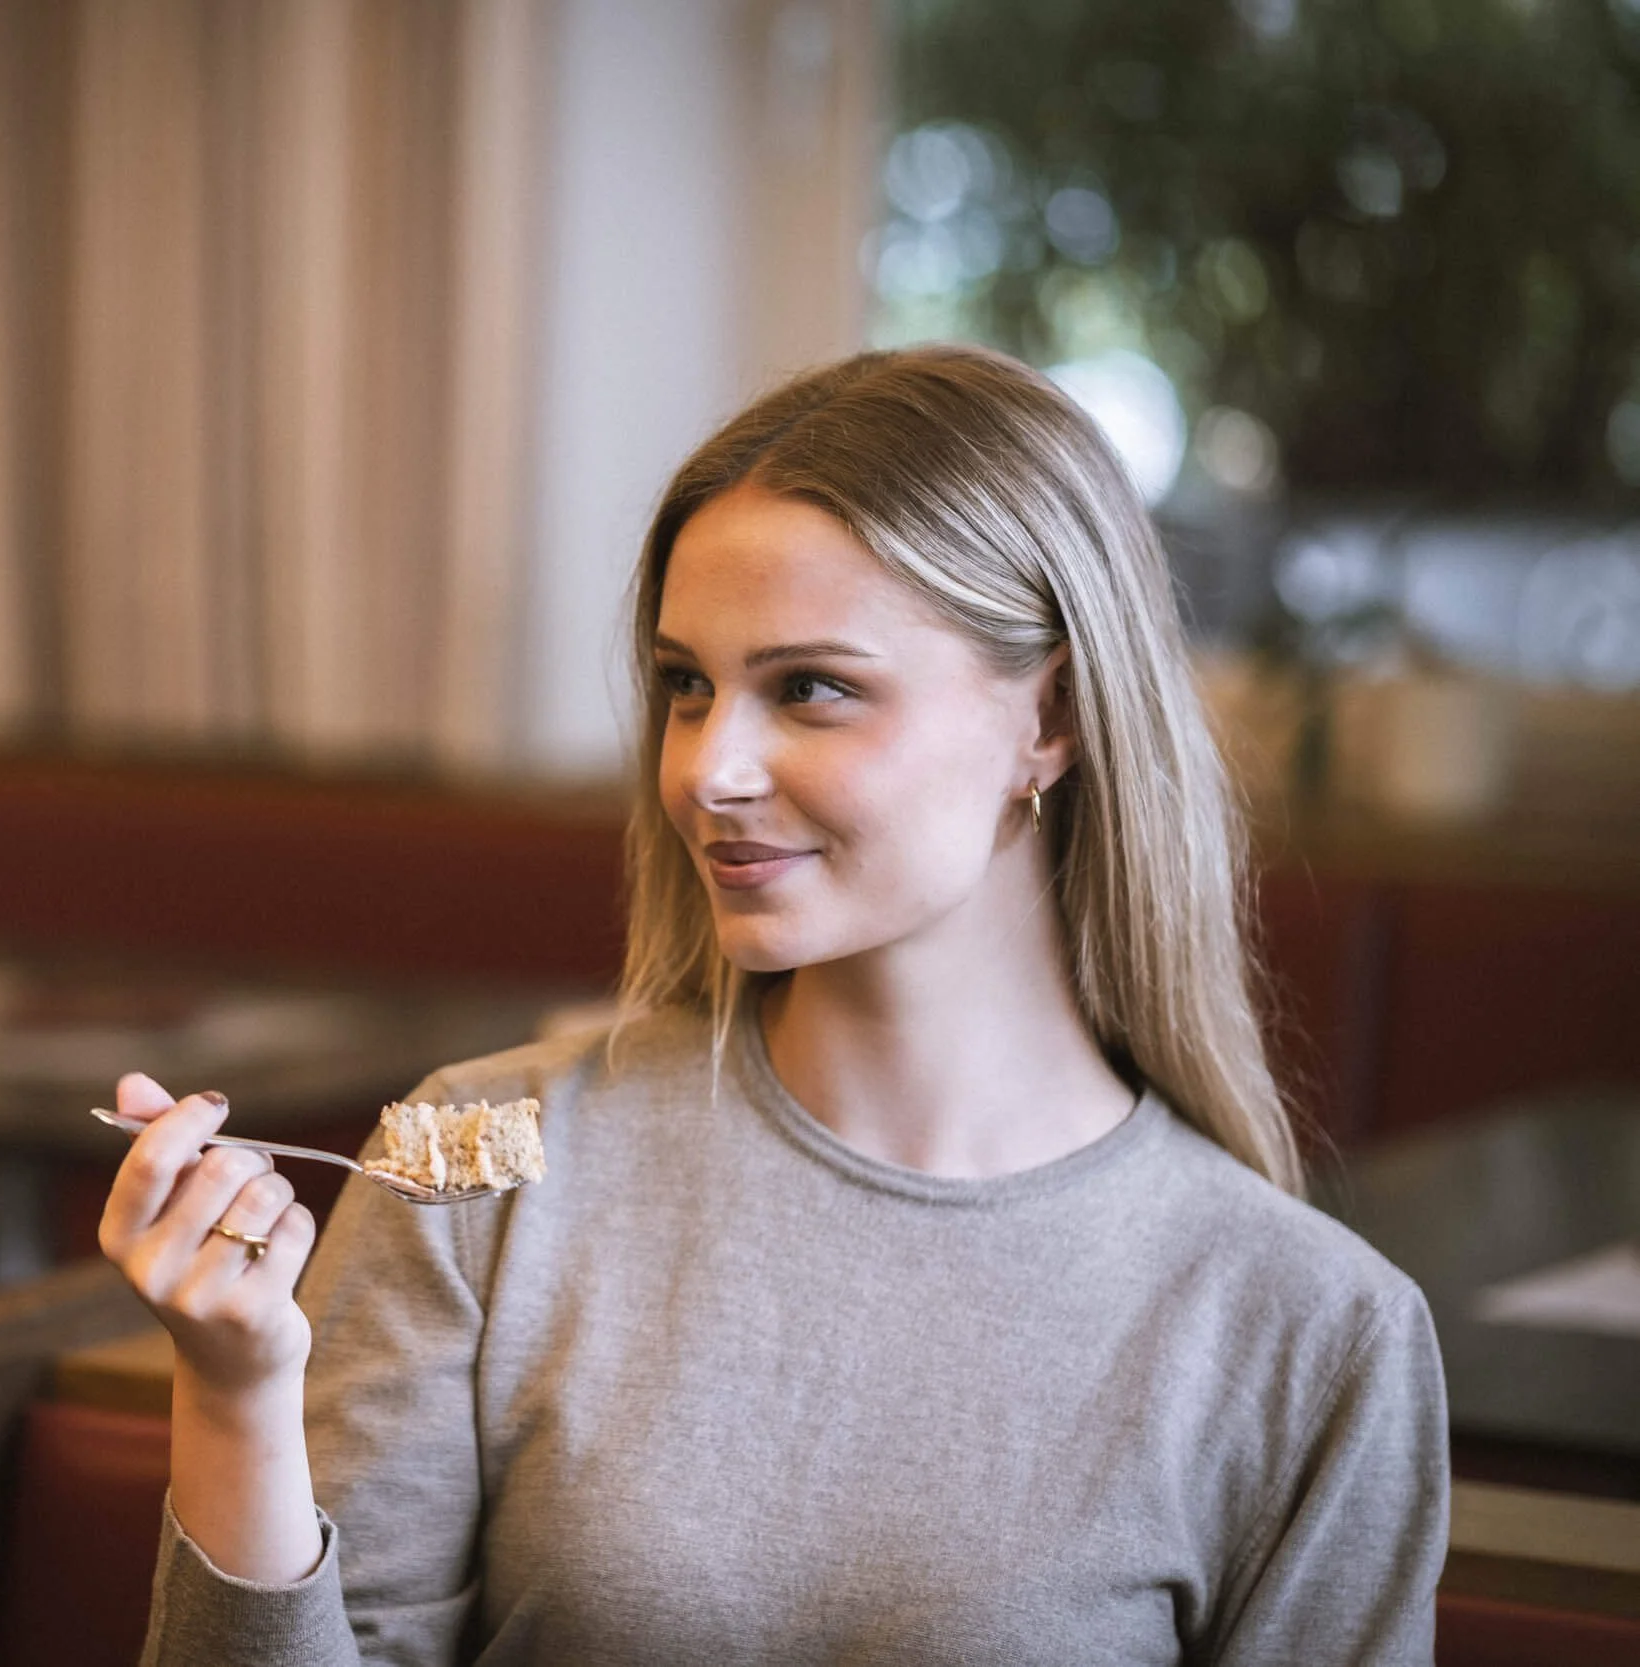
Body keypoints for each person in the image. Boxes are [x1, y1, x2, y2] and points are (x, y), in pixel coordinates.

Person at [98, 345, 1448, 1666]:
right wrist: (235, 1397)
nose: (708, 770)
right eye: (689, 684)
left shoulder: (1310, 1331)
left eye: (811, 687)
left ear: (1051, 717)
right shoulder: (478, 1163)